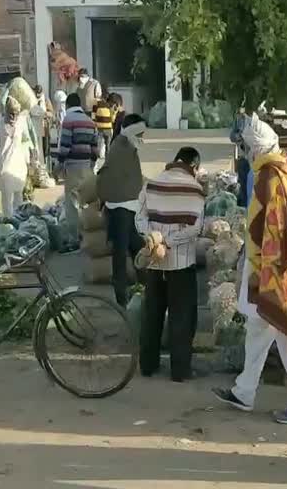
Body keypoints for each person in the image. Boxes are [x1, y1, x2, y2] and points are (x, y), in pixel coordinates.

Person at [213, 114, 287, 425]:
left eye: (247, 147)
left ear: (256, 148)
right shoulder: (281, 171)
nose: (246, 153)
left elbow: (271, 228)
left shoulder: (271, 177)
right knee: (259, 329)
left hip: (275, 269)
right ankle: (244, 391)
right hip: (273, 264)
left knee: (286, 331)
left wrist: (260, 264)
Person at [135, 147, 205, 382]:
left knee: (152, 314)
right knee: (182, 317)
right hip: (181, 263)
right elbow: (195, 227)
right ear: (194, 166)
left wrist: (152, 238)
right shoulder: (195, 190)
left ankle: (147, 365)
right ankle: (180, 370)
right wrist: (170, 241)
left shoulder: (152, 183)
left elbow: (140, 217)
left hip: (154, 263)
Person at [97, 113, 147, 307]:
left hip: (129, 209)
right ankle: (122, 299)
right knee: (121, 254)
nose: (143, 137)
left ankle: (144, 288)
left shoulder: (127, 146)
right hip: (120, 210)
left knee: (136, 250)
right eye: (140, 133)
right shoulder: (122, 145)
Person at [59, 93, 99, 249]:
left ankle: (74, 239)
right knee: (86, 202)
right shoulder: (90, 122)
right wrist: (91, 165)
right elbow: (95, 147)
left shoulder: (68, 120)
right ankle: (86, 234)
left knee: (72, 204)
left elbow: (65, 146)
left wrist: (59, 164)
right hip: (87, 167)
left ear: (68, 105)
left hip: (73, 167)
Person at [0, 97, 34, 217]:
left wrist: (31, 158)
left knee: (18, 197)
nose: (13, 117)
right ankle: (8, 221)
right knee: (7, 198)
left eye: (16, 114)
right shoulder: (0, 124)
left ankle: (18, 223)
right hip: (5, 164)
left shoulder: (21, 123)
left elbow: (27, 141)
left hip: (18, 164)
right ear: (7, 113)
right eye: (11, 114)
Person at [230, 107, 251, 207]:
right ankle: (244, 207)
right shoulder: (239, 120)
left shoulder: (258, 120)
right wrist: (240, 136)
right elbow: (232, 136)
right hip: (244, 157)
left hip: (256, 157)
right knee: (243, 183)